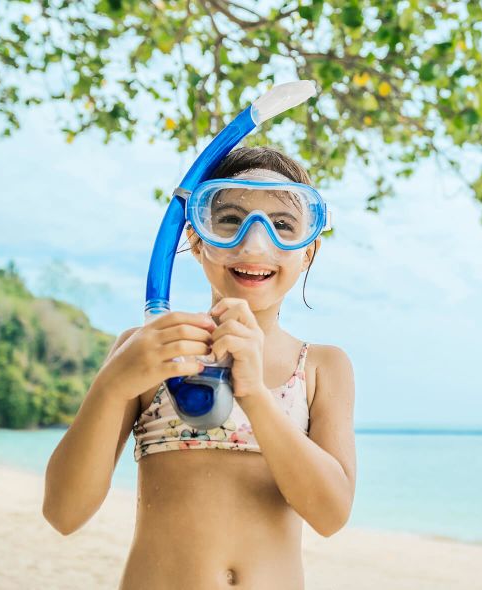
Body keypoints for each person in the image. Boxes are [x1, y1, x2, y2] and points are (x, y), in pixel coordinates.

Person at [42, 146, 356, 589]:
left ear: (307, 251)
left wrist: (255, 396)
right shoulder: (148, 353)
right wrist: (112, 386)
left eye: (282, 225)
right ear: (196, 239)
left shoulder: (322, 367)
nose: (255, 242)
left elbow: (330, 515)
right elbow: (63, 512)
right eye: (230, 219)